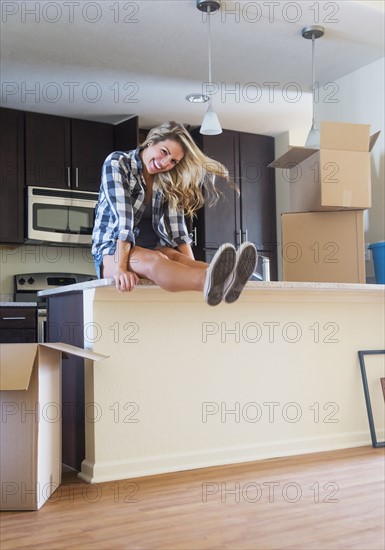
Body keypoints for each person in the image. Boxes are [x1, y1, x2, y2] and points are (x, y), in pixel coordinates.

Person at [92, 121, 257, 306]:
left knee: (176, 258)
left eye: (173, 161)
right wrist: (121, 269)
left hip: (152, 246)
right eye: (164, 152)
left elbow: (178, 231)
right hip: (113, 251)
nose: (165, 163)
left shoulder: (166, 180)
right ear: (151, 142)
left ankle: (229, 278)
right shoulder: (118, 163)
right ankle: (206, 282)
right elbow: (124, 220)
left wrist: (188, 265)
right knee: (156, 259)